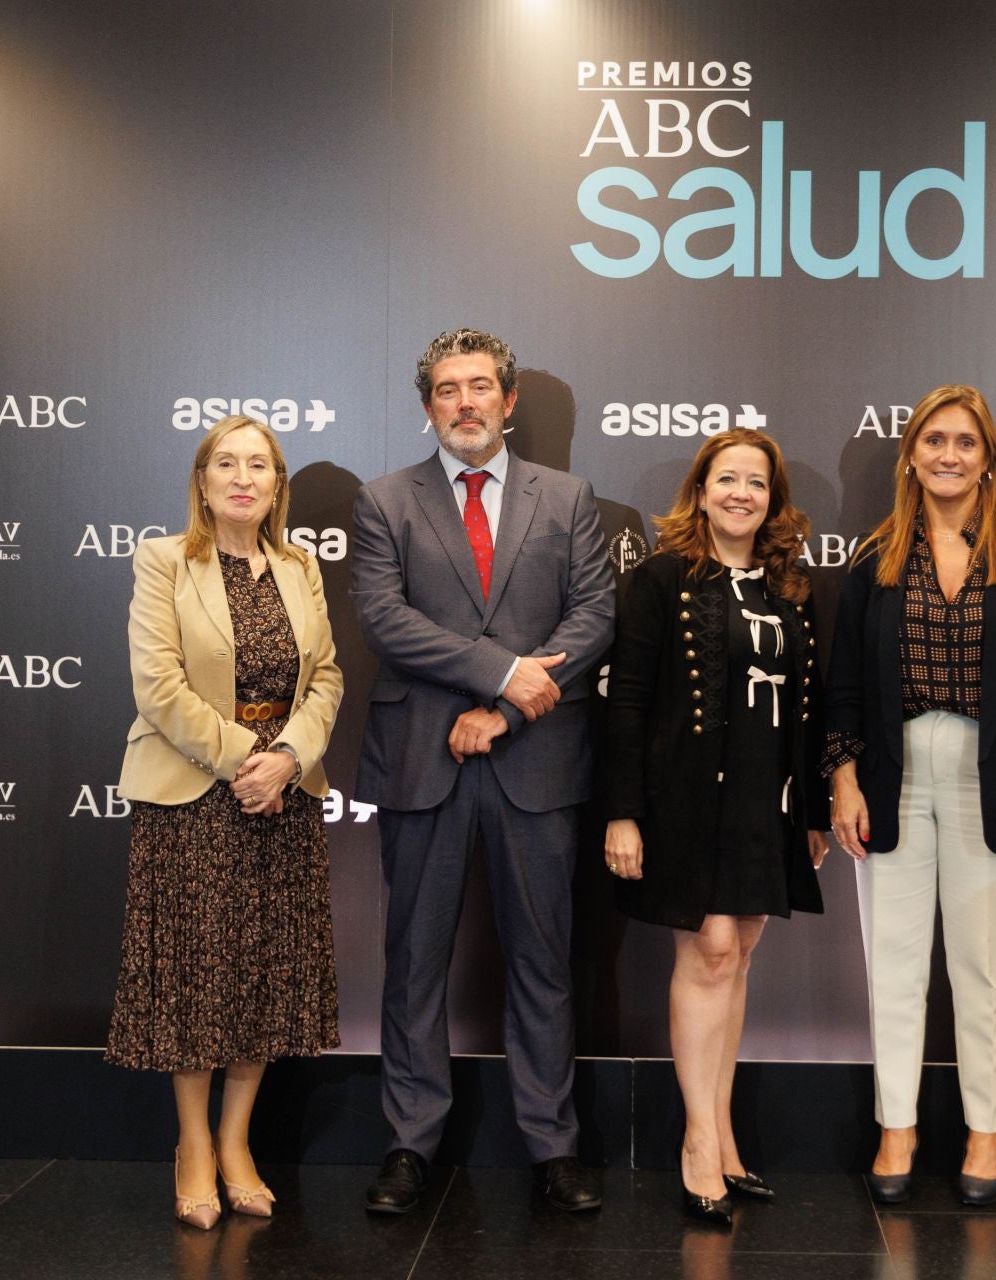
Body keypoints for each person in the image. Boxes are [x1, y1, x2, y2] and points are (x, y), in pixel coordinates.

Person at [351, 328, 615, 1214]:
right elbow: (384, 619)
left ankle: (553, 1147)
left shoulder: (572, 499)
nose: (465, 402)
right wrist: (499, 672)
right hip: (421, 759)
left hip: (534, 759)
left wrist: (500, 711)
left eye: (480, 387)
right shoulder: (384, 501)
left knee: (543, 960)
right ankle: (409, 1145)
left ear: (508, 401)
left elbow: (592, 617)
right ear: (428, 407)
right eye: (447, 390)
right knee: (413, 960)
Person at [825, 385, 996, 1208]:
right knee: (894, 966)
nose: (948, 454)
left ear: (987, 457)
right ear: (910, 454)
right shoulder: (875, 556)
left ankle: (985, 1132)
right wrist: (843, 777)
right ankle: (895, 1126)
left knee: (982, 967)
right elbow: (845, 688)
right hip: (895, 769)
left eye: (965, 442)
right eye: (933, 439)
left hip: (993, 770)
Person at [107, 414, 345, 1229]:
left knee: (264, 979)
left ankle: (238, 1142)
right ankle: (193, 1147)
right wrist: (250, 759)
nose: (244, 477)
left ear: (277, 485)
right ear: (202, 482)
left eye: (260, 465)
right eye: (226, 464)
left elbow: (327, 681)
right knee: (198, 980)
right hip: (193, 795)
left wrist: (288, 760)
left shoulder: (300, 565)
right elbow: (159, 686)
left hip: (284, 795)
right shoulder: (163, 561)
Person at [603, 429, 831, 1226]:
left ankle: (726, 1135)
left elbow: (810, 709)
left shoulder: (791, 586)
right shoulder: (661, 580)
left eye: (757, 483)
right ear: (701, 491)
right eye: (726, 479)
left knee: (739, 957)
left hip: (767, 801)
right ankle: (698, 1142)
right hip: (685, 803)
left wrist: (811, 815)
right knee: (708, 950)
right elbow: (626, 699)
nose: (741, 493)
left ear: (773, 500)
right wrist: (624, 811)